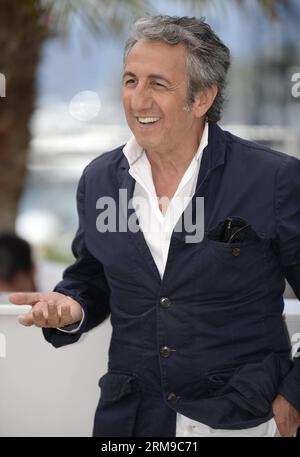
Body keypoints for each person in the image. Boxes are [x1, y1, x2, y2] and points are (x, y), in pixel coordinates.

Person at [9, 15, 300, 437]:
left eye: (158, 85)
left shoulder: (272, 179)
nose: (138, 100)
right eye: (131, 81)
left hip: (243, 418)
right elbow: (92, 275)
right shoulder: (99, 178)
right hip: (131, 421)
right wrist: (71, 307)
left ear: (202, 98)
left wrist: (292, 399)